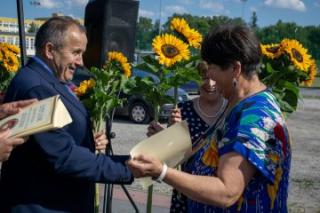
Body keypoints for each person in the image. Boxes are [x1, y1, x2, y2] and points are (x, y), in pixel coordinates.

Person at [128, 24, 291, 212]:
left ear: (235, 69)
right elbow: (206, 150)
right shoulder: (237, 103)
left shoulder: (254, 116)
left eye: (212, 68)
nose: (209, 78)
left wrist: (162, 172)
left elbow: (227, 191)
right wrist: (167, 142)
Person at [0, 16, 133, 213]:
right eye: (76, 53)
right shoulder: (37, 88)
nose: (80, 62)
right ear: (49, 50)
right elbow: (64, 157)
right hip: (45, 205)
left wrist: (87, 139)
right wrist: (127, 166)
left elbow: (49, 142)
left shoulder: (43, 79)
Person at [147, 61, 227, 212]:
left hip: (220, 191)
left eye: (214, 78)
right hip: (187, 191)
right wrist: (164, 137)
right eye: (204, 77)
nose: (210, 84)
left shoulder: (232, 110)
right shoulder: (182, 110)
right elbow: (173, 156)